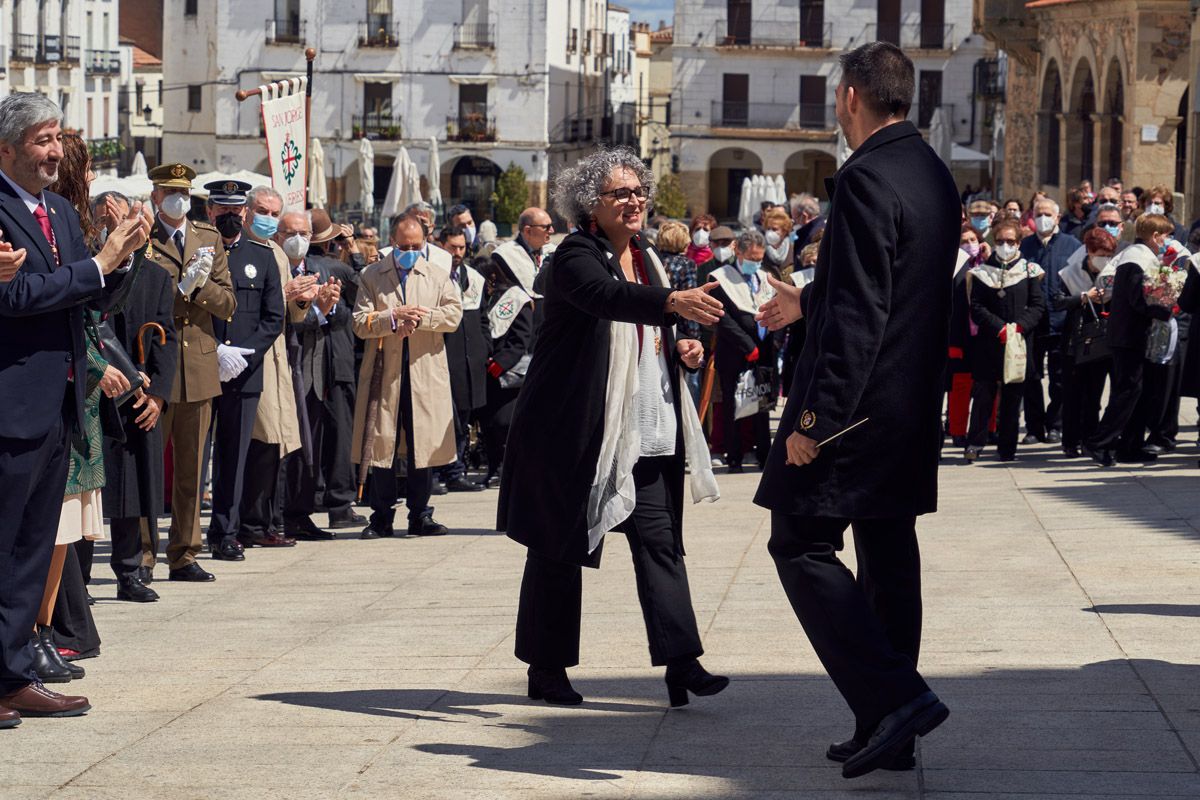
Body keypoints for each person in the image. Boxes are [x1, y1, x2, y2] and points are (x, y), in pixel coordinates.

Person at [751, 43, 955, 778]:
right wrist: (808, 299)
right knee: (887, 556)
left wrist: (814, 423)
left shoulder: (867, 177)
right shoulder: (930, 171)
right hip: (906, 405)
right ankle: (888, 727)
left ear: (849, 98)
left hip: (857, 408)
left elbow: (866, 314)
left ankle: (896, 698)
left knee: (799, 542)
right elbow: (896, 290)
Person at [499, 146, 728, 708]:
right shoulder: (573, 256)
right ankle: (545, 670)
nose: (633, 201)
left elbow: (648, 330)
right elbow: (610, 299)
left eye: (637, 191)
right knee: (557, 550)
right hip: (573, 433)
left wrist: (684, 348)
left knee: (660, 543)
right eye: (618, 193)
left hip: (643, 428)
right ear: (590, 206)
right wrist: (673, 302)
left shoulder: (647, 255)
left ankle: (682, 663)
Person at [0, 92, 149, 722]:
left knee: (34, 545)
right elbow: (17, 297)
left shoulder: (59, 210)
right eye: (41, 140)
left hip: (62, 400)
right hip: (11, 403)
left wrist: (124, 257)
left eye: (58, 138)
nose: (55, 151)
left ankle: (13, 676)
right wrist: (101, 262)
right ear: (6, 148)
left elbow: (86, 300)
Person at [146, 162, 236, 583]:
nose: (177, 199)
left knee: (191, 468)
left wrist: (199, 285)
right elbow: (130, 298)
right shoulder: (142, 238)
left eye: (183, 192)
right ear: (155, 197)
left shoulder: (208, 238)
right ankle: (143, 554)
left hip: (198, 363)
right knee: (148, 463)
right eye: (169, 192)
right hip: (155, 362)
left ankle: (183, 553)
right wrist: (174, 290)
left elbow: (228, 305)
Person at [353, 216, 461, 539]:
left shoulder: (438, 276)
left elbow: (453, 315)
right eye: (404, 246)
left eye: (416, 246)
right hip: (385, 372)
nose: (410, 252)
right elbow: (360, 322)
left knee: (422, 445)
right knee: (381, 443)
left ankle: (421, 514)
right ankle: (381, 515)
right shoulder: (372, 275)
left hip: (423, 372)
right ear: (392, 241)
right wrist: (391, 318)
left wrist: (421, 316)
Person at [96, 191, 176, 601]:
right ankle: (77, 580)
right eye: (112, 222)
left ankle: (130, 572)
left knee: (128, 487)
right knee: (87, 492)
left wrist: (158, 395)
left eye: (128, 221)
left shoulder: (158, 276)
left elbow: (167, 338)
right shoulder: (88, 270)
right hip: (92, 391)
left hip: (136, 397)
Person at [202, 180, 284, 562]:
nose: (231, 217)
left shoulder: (262, 256)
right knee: (196, 457)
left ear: (245, 214)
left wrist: (242, 356)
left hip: (245, 371)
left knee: (234, 458)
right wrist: (214, 351)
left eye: (236, 211)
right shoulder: (197, 253)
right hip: (202, 366)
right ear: (210, 212)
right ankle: (184, 537)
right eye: (223, 211)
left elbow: (273, 318)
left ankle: (225, 533)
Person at [238, 186, 305, 550]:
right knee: (259, 441)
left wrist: (305, 300)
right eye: (262, 210)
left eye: (273, 213)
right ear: (247, 212)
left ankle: (266, 520)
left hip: (278, 356)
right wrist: (286, 296)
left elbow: (286, 312)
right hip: (252, 355)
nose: (268, 218)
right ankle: (249, 522)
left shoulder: (276, 251)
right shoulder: (236, 247)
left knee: (276, 442)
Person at [1084, 214, 1178, 466]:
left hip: (1135, 335)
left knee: (1139, 391)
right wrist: (1166, 308)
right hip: (1129, 336)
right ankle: (1099, 442)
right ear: (1155, 236)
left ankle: (1130, 445)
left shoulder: (1140, 256)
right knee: (1127, 391)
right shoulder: (1137, 259)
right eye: (1166, 236)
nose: (1167, 241)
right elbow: (1139, 300)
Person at [276, 211, 345, 541]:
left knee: (310, 448)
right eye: (291, 232)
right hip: (281, 369)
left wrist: (328, 306)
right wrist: (316, 311)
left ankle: (301, 514)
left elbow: (341, 315)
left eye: (304, 233)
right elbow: (284, 319)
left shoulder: (320, 270)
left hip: (314, 372)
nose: (298, 239)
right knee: (280, 449)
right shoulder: (274, 269)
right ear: (278, 236)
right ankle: (274, 516)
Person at [964, 218, 1047, 462]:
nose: (1005, 246)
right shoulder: (982, 272)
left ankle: (1007, 447)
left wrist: (1019, 327)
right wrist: (999, 328)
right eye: (1000, 241)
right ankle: (974, 443)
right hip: (991, 342)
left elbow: (1037, 305)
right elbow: (977, 307)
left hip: (1019, 343)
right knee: (983, 396)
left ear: (1019, 243)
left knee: (1013, 398)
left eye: (1010, 241)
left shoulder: (1029, 271)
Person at [306, 209, 366, 529]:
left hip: (308, 358)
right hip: (339, 356)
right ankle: (340, 503)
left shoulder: (301, 267)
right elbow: (368, 288)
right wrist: (354, 250)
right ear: (332, 241)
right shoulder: (341, 269)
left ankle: (313, 492)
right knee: (341, 431)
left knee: (310, 430)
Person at [710, 229, 776, 473]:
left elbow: (776, 308)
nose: (756, 263)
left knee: (762, 405)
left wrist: (773, 340)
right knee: (733, 406)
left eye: (759, 259)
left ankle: (763, 455)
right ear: (738, 251)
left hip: (764, 351)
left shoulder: (764, 277)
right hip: (735, 352)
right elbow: (722, 318)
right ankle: (734, 456)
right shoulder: (720, 278)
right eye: (752, 258)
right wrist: (747, 346)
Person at [1019, 198, 1082, 445]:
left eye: (1047, 213)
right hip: (1033, 322)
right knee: (1031, 376)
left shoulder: (1071, 245)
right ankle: (1034, 427)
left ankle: (1056, 424)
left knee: (1060, 378)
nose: (1043, 217)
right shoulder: (1024, 246)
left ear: (1057, 218)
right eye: (1038, 213)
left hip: (1061, 321)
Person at [476, 235, 537, 489]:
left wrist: (501, 362)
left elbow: (522, 337)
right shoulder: (483, 297)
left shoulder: (516, 298)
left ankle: (505, 468)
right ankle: (493, 467)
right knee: (488, 426)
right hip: (486, 373)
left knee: (504, 424)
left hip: (507, 374)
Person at [1055, 227, 1118, 458]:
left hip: (1102, 343)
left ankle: (1090, 439)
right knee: (1072, 395)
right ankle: (1070, 441)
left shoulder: (1112, 273)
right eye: (1101, 254)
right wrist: (1084, 297)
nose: (1105, 259)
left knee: (1093, 395)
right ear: (1090, 252)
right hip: (1076, 341)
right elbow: (1058, 301)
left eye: (1109, 255)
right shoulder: (1071, 273)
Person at [436, 226, 489, 493]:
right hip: (444, 360)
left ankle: (456, 472)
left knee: (462, 420)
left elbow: (482, 318)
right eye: (452, 248)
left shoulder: (475, 278)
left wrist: (484, 349)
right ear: (441, 246)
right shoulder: (433, 277)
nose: (457, 253)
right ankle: (438, 472)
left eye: (461, 248)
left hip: (471, 361)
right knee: (443, 419)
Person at [946, 226, 986, 447]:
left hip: (985, 337)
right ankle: (958, 431)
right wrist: (953, 342)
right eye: (964, 240)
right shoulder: (954, 267)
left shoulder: (986, 264)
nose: (969, 243)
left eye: (973, 239)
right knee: (960, 388)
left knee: (987, 388)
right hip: (961, 337)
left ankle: (986, 430)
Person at [761, 207, 794, 280]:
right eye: (768, 229)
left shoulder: (794, 249)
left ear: (785, 231)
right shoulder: (760, 250)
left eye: (774, 229)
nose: (770, 232)